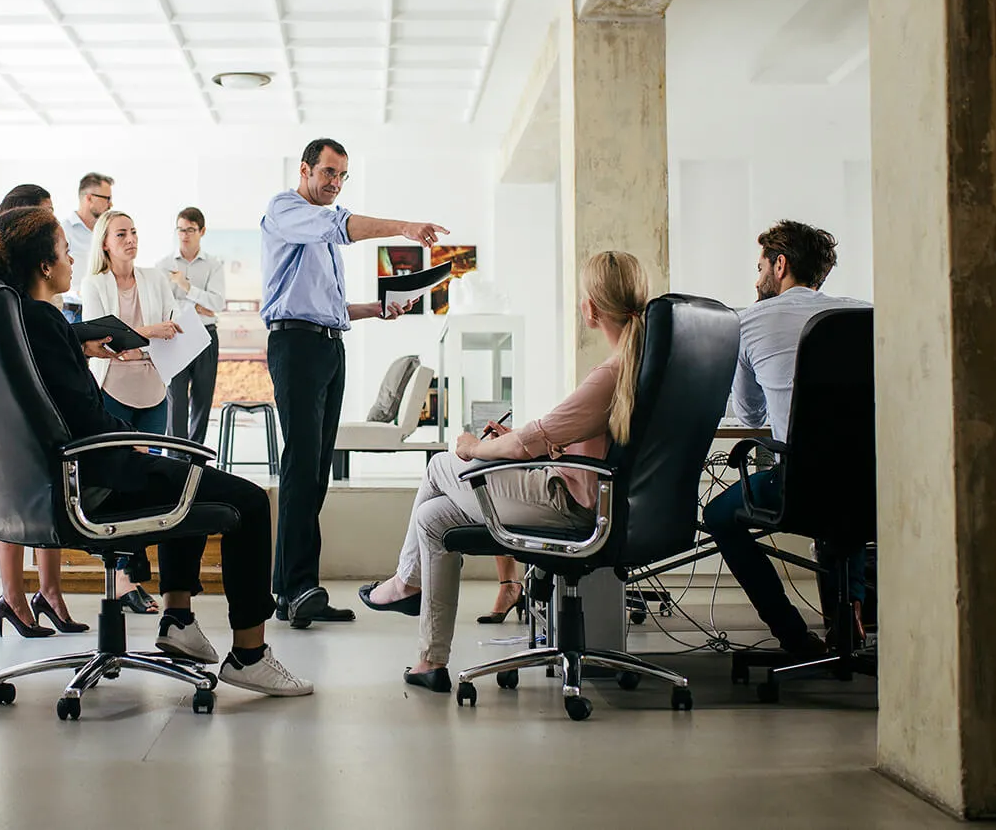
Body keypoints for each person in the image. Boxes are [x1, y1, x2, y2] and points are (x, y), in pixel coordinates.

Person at [0, 207, 312, 696]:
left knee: (185, 483)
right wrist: (128, 428)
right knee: (247, 501)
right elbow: (87, 418)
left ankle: (179, 621)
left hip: (42, 494)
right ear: (43, 266)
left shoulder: (17, 323)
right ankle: (249, 654)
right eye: (63, 252)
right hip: (96, 483)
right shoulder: (46, 323)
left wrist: (82, 343)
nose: (71, 261)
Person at [358, 252, 649, 691]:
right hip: (587, 499)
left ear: (590, 307)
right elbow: (561, 438)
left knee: (442, 462)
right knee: (431, 519)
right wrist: (518, 444)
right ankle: (429, 663)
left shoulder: (609, 374)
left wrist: (477, 446)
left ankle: (406, 581)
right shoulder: (642, 365)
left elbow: (527, 440)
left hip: (570, 509)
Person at [263, 137, 449, 628]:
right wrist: (406, 227)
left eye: (343, 176)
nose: (335, 184)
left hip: (327, 344)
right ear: (305, 170)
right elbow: (342, 226)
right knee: (303, 465)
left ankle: (290, 590)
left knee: (316, 468)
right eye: (329, 173)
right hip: (296, 347)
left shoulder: (320, 236)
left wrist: (376, 309)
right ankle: (299, 588)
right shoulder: (287, 210)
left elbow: (328, 307)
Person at [702, 220, 871, 657]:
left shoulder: (750, 320)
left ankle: (792, 635)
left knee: (720, 515)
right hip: (869, 485)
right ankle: (848, 609)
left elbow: (749, 412)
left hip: (800, 486)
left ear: (780, 265)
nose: (756, 278)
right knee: (846, 494)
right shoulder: (864, 314)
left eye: (760, 266)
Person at [0, 184, 99, 637]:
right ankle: (13, 595)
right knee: (22, 495)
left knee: (43, 484)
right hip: (9, 423)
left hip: (41, 436)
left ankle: (49, 591)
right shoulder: (5, 299)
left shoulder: (31, 305)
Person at [81, 208, 184, 614]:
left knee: (148, 483)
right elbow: (99, 336)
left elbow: (173, 325)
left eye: (134, 232)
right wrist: (148, 332)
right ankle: (123, 578)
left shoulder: (155, 278)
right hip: (113, 390)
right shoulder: (94, 284)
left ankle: (130, 576)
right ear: (105, 242)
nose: (130, 239)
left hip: (153, 387)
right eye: (121, 233)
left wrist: (140, 337)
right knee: (118, 482)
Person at [157, 207, 225, 445]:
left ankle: (195, 460)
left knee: (202, 400)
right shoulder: (163, 265)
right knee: (175, 400)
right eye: (180, 229)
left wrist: (186, 288)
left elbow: (217, 303)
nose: (184, 235)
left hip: (206, 335)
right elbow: (162, 305)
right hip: (174, 336)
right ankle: (176, 458)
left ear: (202, 231)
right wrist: (197, 304)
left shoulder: (214, 265)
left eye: (190, 230)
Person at [59, 172, 114, 324]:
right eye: (107, 198)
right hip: (74, 313)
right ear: (89, 198)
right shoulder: (63, 231)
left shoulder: (106, 232)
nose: (111, 204)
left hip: (104, 311)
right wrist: (79, 293)